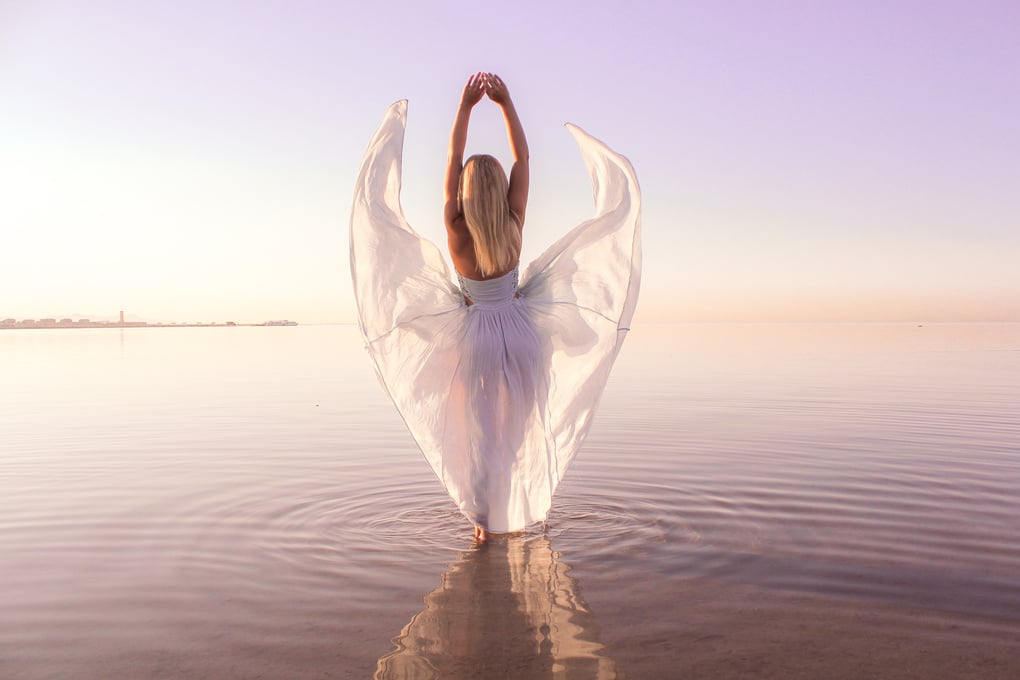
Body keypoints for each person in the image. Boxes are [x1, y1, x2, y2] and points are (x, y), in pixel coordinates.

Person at [350, 72, 641, 542]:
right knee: (519, 431)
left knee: (481, 436)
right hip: (524, 334)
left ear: (464, 193)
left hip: (477, 340)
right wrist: (506, 104)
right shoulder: (513, 220)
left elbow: (452, 158)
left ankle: (485, 527)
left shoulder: (456, 226)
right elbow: (523, 157)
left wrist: (465, 107)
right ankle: (520, 509)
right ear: (499, 189)